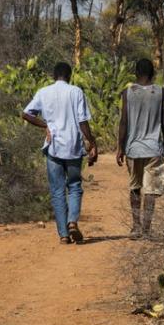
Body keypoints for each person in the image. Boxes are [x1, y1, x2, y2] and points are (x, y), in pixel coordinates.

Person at [22, 62, 98, 245]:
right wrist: (92, 142)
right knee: (74, 186)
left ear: (54, 76)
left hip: (53, 146)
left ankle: (63, 234)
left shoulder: (43, 92)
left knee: (57, 190)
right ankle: (72, 221)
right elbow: (82, 121)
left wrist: (45, 125)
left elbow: (26, 114)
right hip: (73, 146)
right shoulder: (76, 92)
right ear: (69, 76)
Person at [117, 58, 164, 239]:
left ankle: (135, 227)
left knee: (135, 187)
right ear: (153, 73)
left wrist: (120, 148)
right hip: (154, 149)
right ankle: (147, 230)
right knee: (151, 190)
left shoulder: (127, 92)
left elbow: (123, 122)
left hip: (133, 149)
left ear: (135, 73)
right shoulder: (161, 92)